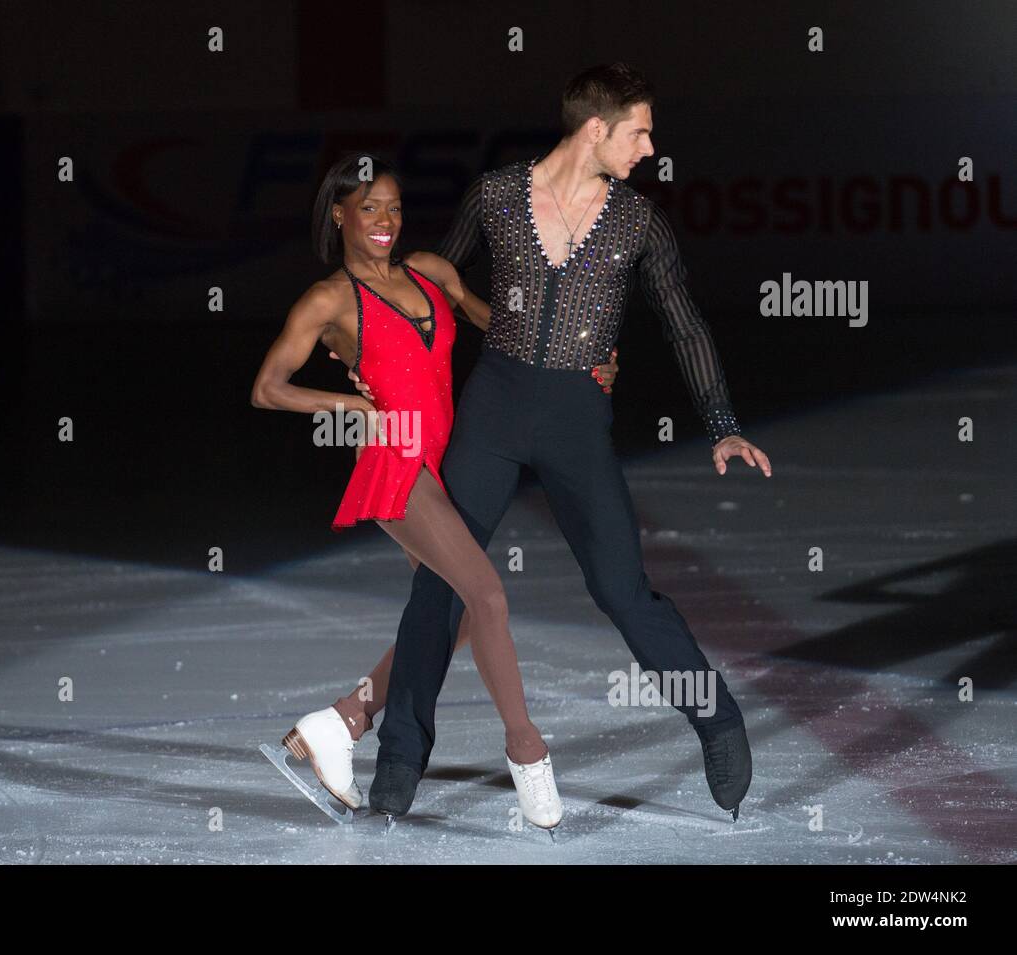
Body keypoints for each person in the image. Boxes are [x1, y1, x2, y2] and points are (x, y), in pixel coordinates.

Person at [351, 63, 773, 820]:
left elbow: (683, 321)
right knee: (442, 583)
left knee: (622, 589)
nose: (649, 147)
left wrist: (722, 423)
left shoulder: (640, 221)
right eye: (640, 130)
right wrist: (368, 360)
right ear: (595, 128)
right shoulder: (497, 197)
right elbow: (427, 294)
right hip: (495, 408)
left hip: (577, 416)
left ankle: (717, 719)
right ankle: (400, 755)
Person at [250, 154, 617, 828]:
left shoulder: (431, 272)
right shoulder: (330, 299)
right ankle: (527, 751)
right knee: (487, 594)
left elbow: (504, 330)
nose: (384, 220)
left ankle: (341, 719)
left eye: (392, 206)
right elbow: (267, 386)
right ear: (340, 215)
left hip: (447, 461)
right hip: (395, 463)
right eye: (369, 208)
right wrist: (349, 406)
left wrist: (583, 355)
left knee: (457, 616)